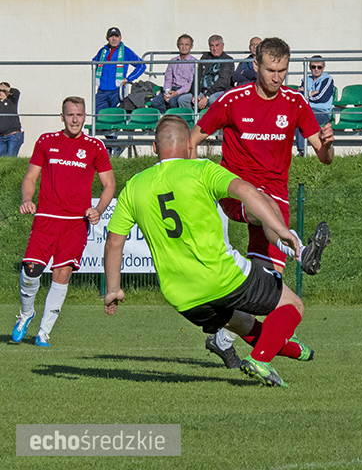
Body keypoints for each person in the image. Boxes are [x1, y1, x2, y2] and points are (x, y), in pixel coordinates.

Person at [104, 116, 327, 387]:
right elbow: (245, 189)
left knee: (245, 324)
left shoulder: (134, 187)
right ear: (189, 145)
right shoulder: (200, 170)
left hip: (182, 296)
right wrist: (280, 229)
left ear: (154, 147)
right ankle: (261, 359)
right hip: (221, 276)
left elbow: (114, 242)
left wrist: (114, 289)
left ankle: (294, 350)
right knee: (293, 304)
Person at [190, 37, 334, 367]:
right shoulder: (232, 100)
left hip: (276, 199)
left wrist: (327, 145)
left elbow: (323, 156)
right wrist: (196, 178)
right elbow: (192, 139)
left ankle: (223, 339)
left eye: (282, 71)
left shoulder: (295, 102)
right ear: (256, 66)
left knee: (268, 289)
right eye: (271, 70)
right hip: (236, 190)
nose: (277, 77)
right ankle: (299, 249)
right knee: (261, 206)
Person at [11, 96, 115, 347]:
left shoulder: (95, 147)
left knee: (62, 274)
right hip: (46, 219)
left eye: (79, 115)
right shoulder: (46, 141)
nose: (75, 120)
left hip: (75, 223)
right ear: (62, 116)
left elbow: (109, 184)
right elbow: (30, 177)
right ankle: (26, 314)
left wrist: (99, 209)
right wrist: (27, 198)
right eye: (70, 115)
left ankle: (44, 332)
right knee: (30, 271)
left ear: (85, 117)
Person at [92, 27, 146, 113]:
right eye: (111, 36)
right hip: (102, 91)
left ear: (120, 37)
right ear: (107, 38)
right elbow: (94, 64)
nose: (114, 39)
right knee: (100, 118)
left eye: (116, 36)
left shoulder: (126, 51)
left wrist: (128, 79)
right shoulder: (103, 51)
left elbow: (141, 66)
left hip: (117, 91)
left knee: (116, 118)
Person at [178, 35, 234, 111]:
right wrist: (195, 93)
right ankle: (192, 120)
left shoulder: (228, 60)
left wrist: (207, 96)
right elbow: (197, 77)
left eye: (217, 45)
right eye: (212, 46)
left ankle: (212, 121)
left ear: (222, 46)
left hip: (219, 91)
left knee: (212, 100)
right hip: (203, 91)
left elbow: (223, 82)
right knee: (182, 99)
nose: (215, 49)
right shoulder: (205, 58)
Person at [296, 55, 334, 155]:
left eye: (319, 67)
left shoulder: (328, 80)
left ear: (323, 67)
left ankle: (307, 151)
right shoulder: (305, 79)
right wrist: (312, 92)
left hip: (322, 113)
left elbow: (322, 97)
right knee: (296, 119)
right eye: (313, 67)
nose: (316, 70)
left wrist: (307, 93)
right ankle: (301, 150)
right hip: (307, 110)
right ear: (309, 67)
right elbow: (299, 96)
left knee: (303, 120)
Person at [149, 34, 196, 113]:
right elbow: (168, 79)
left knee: (172, 101)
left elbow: (189, 85)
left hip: (183, 91)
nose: (184, 47)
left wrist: (176, 93)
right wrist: (167, 93)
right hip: (171, 89)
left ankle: (176, 120)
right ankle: (165, 119)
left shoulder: (194, 63)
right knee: (155, 102)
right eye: (181, 44)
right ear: (178, 46)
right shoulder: (173, 61)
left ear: (191, 46)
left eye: (186, 44)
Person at [0, 82, 24, 157]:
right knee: (2, 161)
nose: (1, 93)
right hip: (1, 137)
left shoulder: (12, 100)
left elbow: (16, 92)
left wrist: (5, 88)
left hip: (13, 136)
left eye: (3, 91)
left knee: (11, 158)